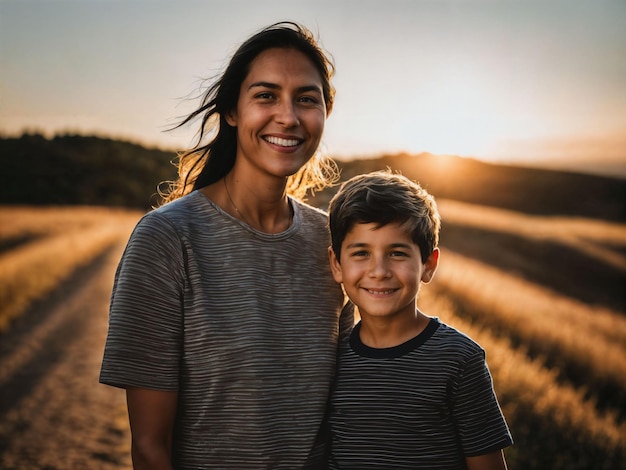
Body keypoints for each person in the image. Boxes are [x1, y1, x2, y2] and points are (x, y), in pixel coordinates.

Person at [100, 22, 352, 469]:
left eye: (307, 99)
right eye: (266, 95)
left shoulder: (332, 242)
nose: (289, 117)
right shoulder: (167, 239)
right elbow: (150, 447)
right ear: (232, 111)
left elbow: (352, 412)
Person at [326, 170, 513, 469]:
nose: (379, 271)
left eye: (397, 253)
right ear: (337, 265)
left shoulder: (460, 360)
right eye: (361, 253)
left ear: (428, 265)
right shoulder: (331, 358)